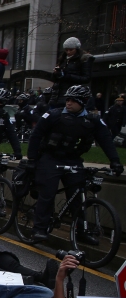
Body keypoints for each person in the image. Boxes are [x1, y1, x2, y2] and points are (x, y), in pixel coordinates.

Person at [25, 85, 122, 242]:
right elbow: (36, 136)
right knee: (47, 194)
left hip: (73, 159)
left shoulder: (92, 120)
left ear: (83, 102)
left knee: (78, 197)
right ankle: (39, 229)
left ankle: (81, 230)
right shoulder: (53, 115)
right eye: (67, 99)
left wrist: (115, 161)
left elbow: (105, 140)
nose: (68, 103)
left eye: (73, 100)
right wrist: (32, 159)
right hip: (51, 158)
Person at [52, 37, 93, 105]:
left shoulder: (84, 59)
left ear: (76, 49)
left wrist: (66, 76)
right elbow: (56, 79)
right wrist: (56, 73)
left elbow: (86, 78)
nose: (68, 52)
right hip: (58, 95)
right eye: (66, 50)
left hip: (73, 95)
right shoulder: (62, 59)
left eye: (71, 50)